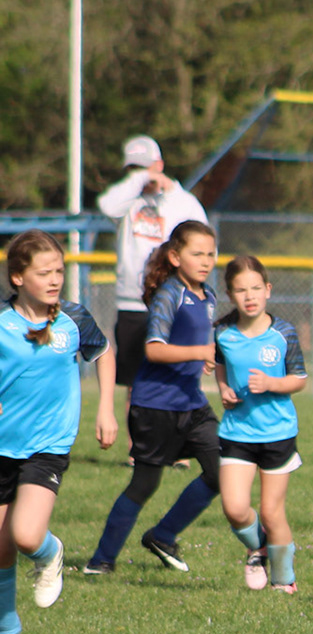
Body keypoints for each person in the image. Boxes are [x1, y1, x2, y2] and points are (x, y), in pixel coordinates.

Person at [82, 221, 224, 575]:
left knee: (222, 472)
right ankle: (101, 561)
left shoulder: (208, 295)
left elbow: (196, 344)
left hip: (192, 404)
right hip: (154, 406)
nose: (206, 261)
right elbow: (155, 349)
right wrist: (199, 351)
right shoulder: (168, 294)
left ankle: (163, 535)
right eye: (197, 254)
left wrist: (205, 358)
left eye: (211, 254)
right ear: (175, 257)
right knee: (144, 484)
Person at [0, 231, 115, 634]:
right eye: (43, 273)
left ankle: (50, 553)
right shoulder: (2, 322)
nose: (54, 280)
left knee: (27, 535)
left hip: (48, 443)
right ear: (17, 277)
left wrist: (106, 409)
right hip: (3, 444)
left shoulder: (73, 317)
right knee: (1, 546)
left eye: (59, 272)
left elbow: (103, 353)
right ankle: (7, 628)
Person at [212, 256, 307, 593]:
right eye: (241, 290)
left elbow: (299, 379)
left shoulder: (283, 333)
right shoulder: (223, 333)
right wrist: (223, 388)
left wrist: (271, 383)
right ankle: (258, 548)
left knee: (271, 512)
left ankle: (284, 580)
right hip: (237, 431)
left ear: (268, 290)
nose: (249, 296)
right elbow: (220, 364)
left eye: (255, 288)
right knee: (235, 508)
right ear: (230, 295)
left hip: (277, 433)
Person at [97, 136, 207, 400]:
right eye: (133, 169)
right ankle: (136, 431)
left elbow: (203, 246)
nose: (140, 175)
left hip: (172, 303)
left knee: (177, 380)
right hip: (132, 304)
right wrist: (138, 180)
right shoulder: (126, 203)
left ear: (159, 165)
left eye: (144, 168)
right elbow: (107, 205)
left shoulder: (184, 202)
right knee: (135, 385)